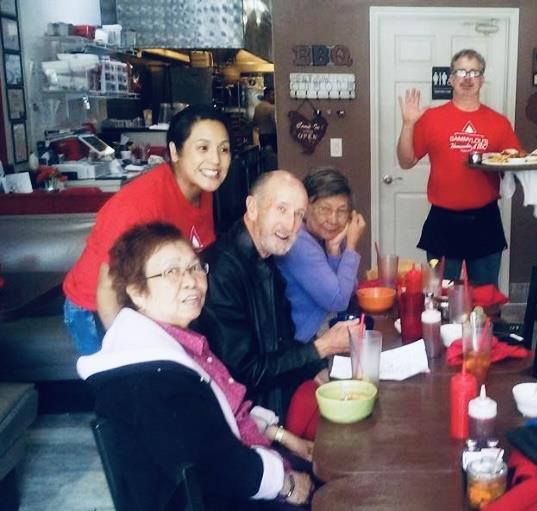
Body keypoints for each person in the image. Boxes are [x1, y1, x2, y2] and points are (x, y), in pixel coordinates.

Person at [77, 223, 314, 509]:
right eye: (171, 272)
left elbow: (227, 414)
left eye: (195, 267)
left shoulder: (176, 343)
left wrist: (285, 438)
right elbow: (219, 467)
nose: (191, 281)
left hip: (235, 476)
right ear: (138, 293)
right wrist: (287, 485)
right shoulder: (151, 378)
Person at [63, 104, 232, 355]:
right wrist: (126, 354)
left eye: (224, 149)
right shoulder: (141, 204)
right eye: (203, 148)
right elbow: (108, 288)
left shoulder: (202, 190)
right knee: (121, 386)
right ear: (175, 152)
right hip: (97, 309)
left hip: (149, 302)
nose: (216, 160)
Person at [195, 171, 353, 420]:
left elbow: (283, 340)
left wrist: (315, 370)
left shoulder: (266, 257)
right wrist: (321, 348)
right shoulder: (222, 272)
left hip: (278, 396)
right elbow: (245, 373)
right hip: (250, 417)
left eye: (299, 214)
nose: (291, 225)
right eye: (281, 209)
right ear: (253, 207)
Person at [396, 49, 521, 285]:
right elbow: (405, 161)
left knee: (485, 298)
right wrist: (408, 125)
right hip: (442, 222)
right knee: (441, 298)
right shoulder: (431, 118)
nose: (467, 78)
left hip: (485, 221)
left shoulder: (499, 123)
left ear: (482, 79)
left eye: (474, 72)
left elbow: (515, 163)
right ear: (451, 78)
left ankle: (484, 324)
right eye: (461, 71)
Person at [277, 166, 366, 342]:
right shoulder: (298, 243)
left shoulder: (316, 237)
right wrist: (351, 247)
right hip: (307, 339)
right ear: (306, 206)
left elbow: (347, 289)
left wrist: (334, 250)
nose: (333, 219)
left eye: (341, 211)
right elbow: (339, 301)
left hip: (324, 324)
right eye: (325, 209)